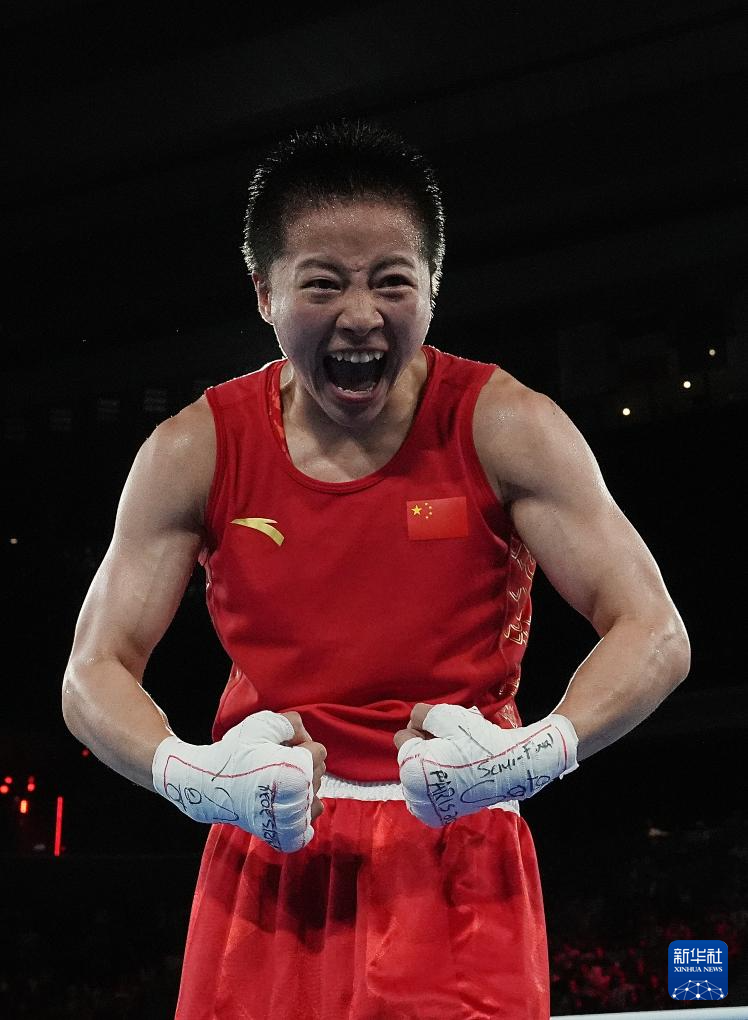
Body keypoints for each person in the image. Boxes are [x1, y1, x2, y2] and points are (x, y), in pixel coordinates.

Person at [62, 120, 690, 1019]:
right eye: (323, 283)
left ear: (432, 289)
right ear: (264, 293)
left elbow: (655, 631)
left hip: (456, 851)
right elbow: (91, 672)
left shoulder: (505, 425)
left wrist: (533, 756)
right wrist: (191, 776)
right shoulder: (194, 449)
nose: (361, 316)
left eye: (392, 281)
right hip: (266, 849)